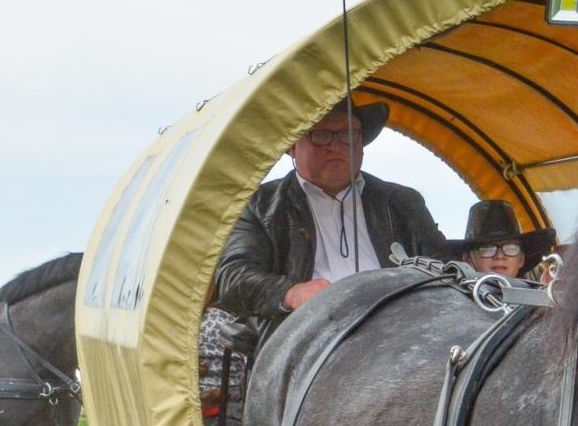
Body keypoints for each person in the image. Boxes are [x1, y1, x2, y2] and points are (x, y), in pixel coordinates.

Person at [216, 97, 450, 322]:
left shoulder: (401, 201)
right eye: (320, 135)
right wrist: (292, 293)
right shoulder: (260, 205)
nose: (335, 146)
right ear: (292, 147)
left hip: (399, 324)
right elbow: (234, 278)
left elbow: (444, 266)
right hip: (305, 332)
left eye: (347, 135)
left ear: (361, 143)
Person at [449, 199, 557, 280]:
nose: (500, 256)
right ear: (468, 259)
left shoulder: (542, 302)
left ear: (521, 259)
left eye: (511, 248)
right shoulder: (452, 301)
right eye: (487, 249)